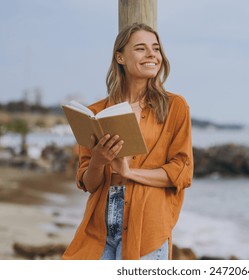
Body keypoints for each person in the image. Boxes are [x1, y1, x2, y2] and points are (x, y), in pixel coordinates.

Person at [62, 23, 193, 260]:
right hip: (98, 226)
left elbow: (181, 173)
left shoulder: (175, 107)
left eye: (156, 48)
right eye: (141, 49)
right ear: (120, 57)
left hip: (147, 227)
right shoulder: (96, 113)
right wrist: (98, 162)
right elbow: (89, 184)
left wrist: (127, 171)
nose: (152, 54)